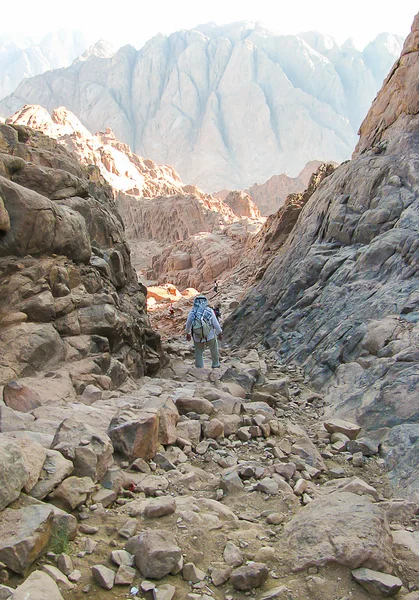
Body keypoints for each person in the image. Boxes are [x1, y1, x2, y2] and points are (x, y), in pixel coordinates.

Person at [185, 295, 222, 368]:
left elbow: (188, 323)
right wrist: (219, 333)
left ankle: (199, 367)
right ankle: (215, 364)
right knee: (214, 348)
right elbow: (215, 323)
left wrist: (188, 333)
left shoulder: (193, 312)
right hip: (210, 335)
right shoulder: (209, 311)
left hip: (197, 336)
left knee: (198, 352)